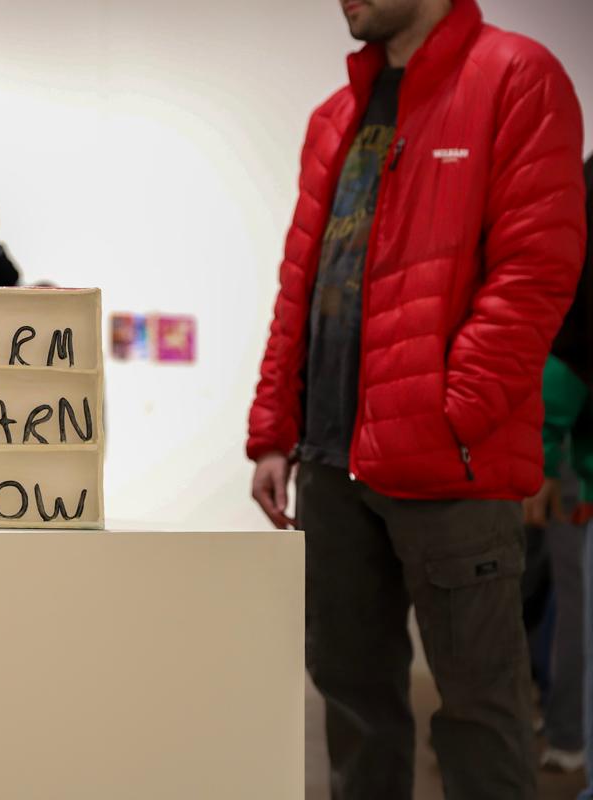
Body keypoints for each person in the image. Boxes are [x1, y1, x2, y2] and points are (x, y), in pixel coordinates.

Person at [246, 0, 586, 796]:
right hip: (329, 461)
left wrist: (454, 411)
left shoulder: (516, 76)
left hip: (450, 462)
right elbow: (301, 284)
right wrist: (274, 430)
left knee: (479, 714)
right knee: (351, 701)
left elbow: (535, 270)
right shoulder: (336, 115)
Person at [525, 156, 593, 794]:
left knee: (573, 604)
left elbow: (571, 333)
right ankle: (569, 733)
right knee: (569, 601)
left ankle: (570, 734)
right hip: (575, 451)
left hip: (573, 448)